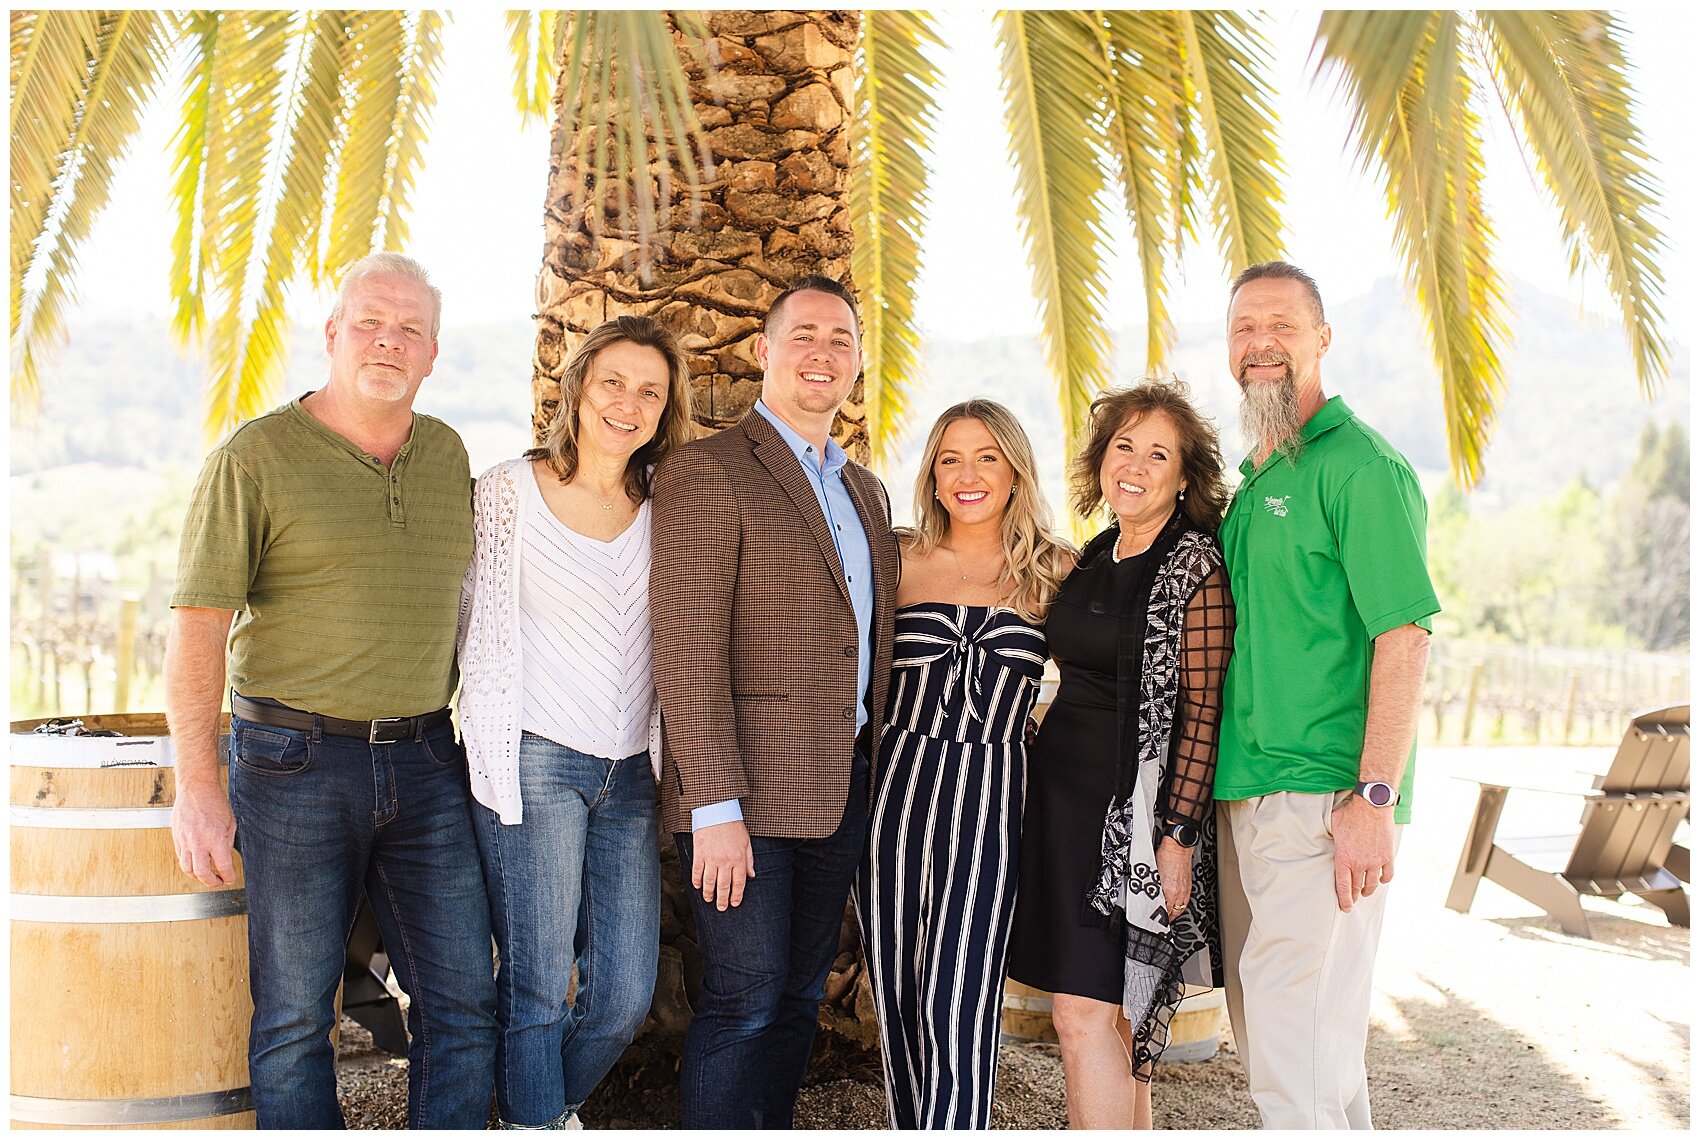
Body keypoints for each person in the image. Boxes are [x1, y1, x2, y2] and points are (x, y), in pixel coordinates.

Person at [165, 252, 497, 1128]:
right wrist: (199, 784)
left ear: (432, 353)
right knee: (293, 1020)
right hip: (290, 766)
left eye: (410, 330)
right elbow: (198, 626)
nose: (388, 342)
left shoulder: (447, 454)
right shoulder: (255, 458)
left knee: (464, 1005)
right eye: (370, 323)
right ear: (332, 334)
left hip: (428, 757)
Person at [649, 275, 900, 1129]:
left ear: (859, 361)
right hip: (742, 803)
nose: (821, 354)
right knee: (744, 1002)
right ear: (764, 351)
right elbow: (686, 651)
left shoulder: (866, 493)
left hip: (840, 791)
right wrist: (713, 807)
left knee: (796, 1002)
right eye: (804, 335)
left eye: (840, 339)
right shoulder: (708, 472)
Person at [1214, 260, 1438, 1129]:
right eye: (1244, 329)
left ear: (1322, 339)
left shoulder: (1360, 467)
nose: (1261, 344)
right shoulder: (1261, 479)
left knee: (1293, 1056)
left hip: (1323, 801)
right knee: (1310, 1054)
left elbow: (1406, 636)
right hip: (1250, 795)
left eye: (1282, 326)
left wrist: (1374, 796)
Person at [456, 315, 695, 1129]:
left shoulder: (668, 508)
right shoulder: (506, 493)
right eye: (613, 383)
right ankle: (537, 1122)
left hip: (630, 773)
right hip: (534, 762)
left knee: (623, 997)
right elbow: (464, 627)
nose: (628, 404)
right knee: (533, 986)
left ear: (666, 411)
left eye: (650, 392)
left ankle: (531, 1113)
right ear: (579, 389)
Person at [1007, 379, 1236, 1129]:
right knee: (1111, 1027)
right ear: (1101, 460)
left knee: (1082, 1018)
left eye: (1157, 453)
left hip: (1133, 827)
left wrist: (1178, 835)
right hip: (1060, 809)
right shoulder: (1095, 554)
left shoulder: (1193, 567)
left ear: (1185, 475)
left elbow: (1203, 712)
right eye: (1123, 446)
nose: (1134, 465)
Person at [855, 399, 1074, 1129]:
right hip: (895, 793)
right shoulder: (896, 556)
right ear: (931, 473)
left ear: (1015, 468)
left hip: (994, 799)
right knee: (900, 1000)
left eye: (986, 457)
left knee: (963, 1000)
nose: (967, 474)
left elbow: (1098, 685)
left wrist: (1036, 726)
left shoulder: (1054, 570)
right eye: (950, 458)